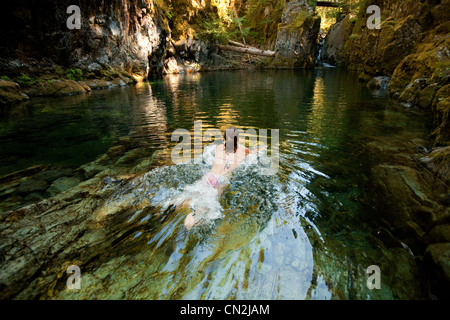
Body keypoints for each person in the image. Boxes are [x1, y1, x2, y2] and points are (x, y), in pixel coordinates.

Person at [179, 127, 263, 230]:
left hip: (209, 176)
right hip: (221, 180)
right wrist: (261, 148)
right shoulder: (243, 151)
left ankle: (174, 206)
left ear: (224, 138)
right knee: (202, 209)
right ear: (237, 139)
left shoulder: (219, 147)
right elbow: (252, 152)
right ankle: (189, 223)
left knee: (189, 195)